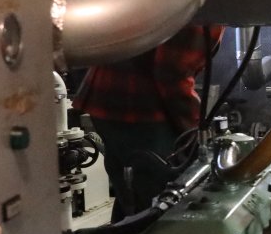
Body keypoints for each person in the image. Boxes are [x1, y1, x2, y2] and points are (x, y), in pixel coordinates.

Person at [76, 24, 223, 219]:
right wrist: (196, 129)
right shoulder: (203, 11)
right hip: (138, 105)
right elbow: (171, 74)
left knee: (131, 194)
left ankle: (124, 233)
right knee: (159, 205)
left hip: (109, 97)